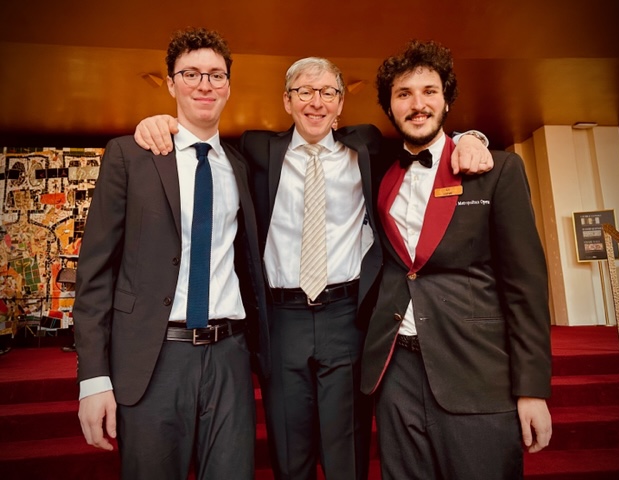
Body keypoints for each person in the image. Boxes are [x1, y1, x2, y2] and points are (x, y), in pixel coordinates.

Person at [134, 57, 492, 480]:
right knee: (290, 450)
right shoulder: (256, 149)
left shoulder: (368, 147)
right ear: (287, 101)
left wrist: (472, 136)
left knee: (347, 452)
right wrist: (156, 122)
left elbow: (422, 138)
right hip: (281, 321)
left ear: (341, 104)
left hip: (347, 317)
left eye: (328, 92)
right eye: (304, 91)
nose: (316, 102)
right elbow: (200, 138)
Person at [73, 27, 269, 480]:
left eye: (216, 75)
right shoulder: (130, 155)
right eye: (192, 74)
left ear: (229, 85)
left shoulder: (240, 165)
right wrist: (93, 377)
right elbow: (95, 274)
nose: (205, 85)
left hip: (229, 357)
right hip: (154, 357)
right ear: (170, 82)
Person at [360, 40, 553, 480]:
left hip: (476, 370)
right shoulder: (379, 171)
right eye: (403, 94)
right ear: (389, 107)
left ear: (447, 100)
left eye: (429, 91)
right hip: (396, 372)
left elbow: (525, 286)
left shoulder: (496, 170)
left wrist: (532, 390)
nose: (417, 104)